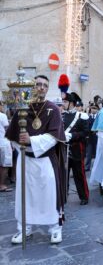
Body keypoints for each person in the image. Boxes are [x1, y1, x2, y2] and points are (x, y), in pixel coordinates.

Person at [6, 75, 66, 244]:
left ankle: (55, 228)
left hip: (46, 161)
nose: (41, 87)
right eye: (38, 84)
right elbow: (12, 136)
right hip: (26, 161)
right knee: (25, 196)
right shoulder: (22, 108)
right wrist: (22, 145)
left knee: (49, 195)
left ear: (47, 89)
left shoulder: (53, 109)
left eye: (44, 85)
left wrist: (32, 141)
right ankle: (24, 228)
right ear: (32, 87)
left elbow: (54, 137)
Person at [63, 92, 89, 205]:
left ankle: (84, 196)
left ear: (72, 103)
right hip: (64, 149)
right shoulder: (62, 116)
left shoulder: (81, 116)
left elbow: (86, 132)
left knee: (79, 174)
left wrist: (73, 135)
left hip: (77, 149)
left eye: (65, 102)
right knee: (64, 174)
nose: (63, 104)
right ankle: (63, 195)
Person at [0, 101, 13, 192]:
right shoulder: (2, 116)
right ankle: (2, 185)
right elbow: (7, 129)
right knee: (5, 165)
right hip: (3, 143)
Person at [85, 103, 99, 171]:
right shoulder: (88, 117)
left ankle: (97, 168)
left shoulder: (99, 117)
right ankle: (87, 167)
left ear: (97, 109)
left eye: (95, 108)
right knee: (89, 154)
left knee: (98, 153)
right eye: (92, 108)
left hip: (97, 137)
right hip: (90, 137)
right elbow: (86, 127)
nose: (93, 110)